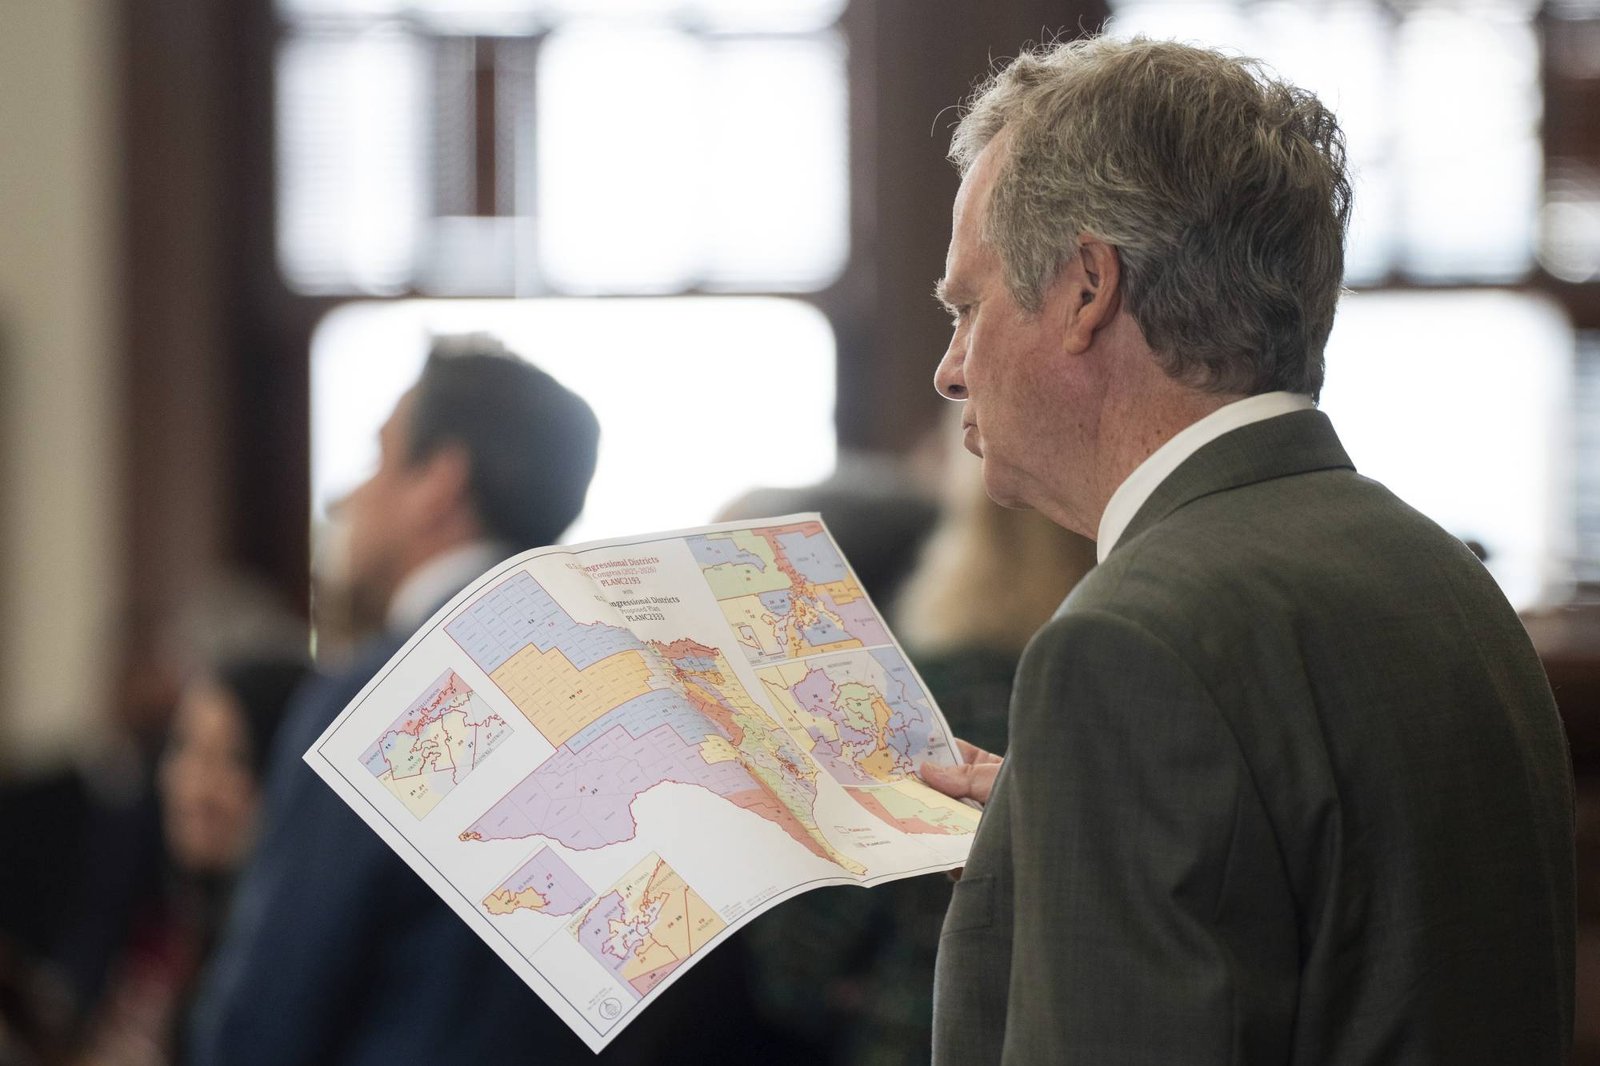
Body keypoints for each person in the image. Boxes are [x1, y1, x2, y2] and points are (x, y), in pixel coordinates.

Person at [914, 36, 1575, 1065]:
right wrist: (1062, 832)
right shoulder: (1438, 573)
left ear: (1087, 288)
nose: (952, 369)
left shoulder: (1129, 642)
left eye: (967, 307)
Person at [63, 656, 309, 1066]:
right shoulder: (176, 913)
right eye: (183, 747)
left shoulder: (290, 961)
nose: (193, 784)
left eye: (234, 758)